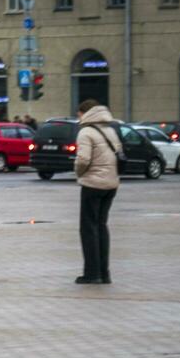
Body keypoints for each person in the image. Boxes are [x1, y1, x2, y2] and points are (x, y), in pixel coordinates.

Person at [73, 99, 120, 285]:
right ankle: (104, 273)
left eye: (79, 113)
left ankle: (92, 273)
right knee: (101, 226)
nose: (78, 117)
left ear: (85, 112)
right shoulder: (111, 130)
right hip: (111, 184)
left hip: (92, 184)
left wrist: (78, 172)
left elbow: (83, 159)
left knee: (88, 229)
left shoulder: (86, 132)